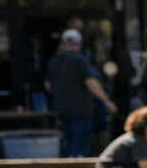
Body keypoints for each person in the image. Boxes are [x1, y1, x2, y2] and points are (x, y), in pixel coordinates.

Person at [45, 24, 117, 158]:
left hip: (61, 108)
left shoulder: (54, 60)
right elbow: (90, 82)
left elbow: (48, 85)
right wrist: (107, 101)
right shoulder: (80, 59)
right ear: (79, 44)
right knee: (79, 144)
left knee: (66, 142)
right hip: (80, 109)